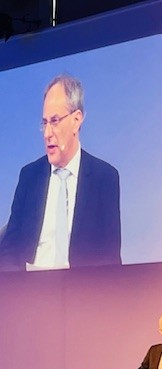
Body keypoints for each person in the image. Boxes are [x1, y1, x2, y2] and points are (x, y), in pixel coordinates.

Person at [0, 74, 121, 271]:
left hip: (81, 292)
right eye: (44, 123)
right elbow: (8, 250)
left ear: (76, 120)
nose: (47, 133)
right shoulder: (29, 177)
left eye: (55, 121)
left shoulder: (104, 177)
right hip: (30, 291)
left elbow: (110, 257)